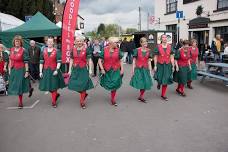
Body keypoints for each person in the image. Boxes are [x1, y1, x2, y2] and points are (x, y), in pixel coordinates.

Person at [68, 36, 94, 109]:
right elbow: (71, 60)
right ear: (75, 42)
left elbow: (89, 60)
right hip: (75, 69)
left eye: (80, 41)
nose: (79, 42)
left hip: (83, 69)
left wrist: (90, 69)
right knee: (73, 83)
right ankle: (84, 94)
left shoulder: (87, 49)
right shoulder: (73, 49)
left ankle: (82, 101)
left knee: (83, 85)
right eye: (78, 41)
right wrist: (69, 70)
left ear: (83, 42)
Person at [39, 37, 66, 108]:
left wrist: (57, 70)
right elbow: (41, 62)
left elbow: (59, 61)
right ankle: (56, 95)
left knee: (54, 86)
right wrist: (40, 71)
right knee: (48, 86)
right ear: (46, 43)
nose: (50, 43)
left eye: (51, 42)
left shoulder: (56, 51)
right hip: (46, 70)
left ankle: (54, 101)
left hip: (54, 70)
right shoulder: (43, 51)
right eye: (48, 42)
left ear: (53, 43)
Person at [98, 37, 124, 106]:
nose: (117, 44)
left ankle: (113, 99)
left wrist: (122, 69)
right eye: (116, 42)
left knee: (115, 84)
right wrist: (102, 69)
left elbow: (120, 60)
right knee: (108, 83)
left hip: (116, 70)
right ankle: (112, 93)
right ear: (111, 43)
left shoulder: (118, 50)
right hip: (107, 70)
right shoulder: (104, 50)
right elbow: (99, 60)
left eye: (117, 42)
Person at [8, 35, 30, 108]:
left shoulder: (24, 50)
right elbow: (10, 60)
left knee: (20, 85)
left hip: (21, 69)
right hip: (13, 69)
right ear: (14, 42)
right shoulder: (11, 49)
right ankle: (29, 87)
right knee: (15, 85)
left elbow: (26, 62)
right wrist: (9, 70)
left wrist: (27, 71)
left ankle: (20, 102)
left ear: (21, 42)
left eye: (18, 41)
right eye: (16, 41)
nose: (17, 43)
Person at [130, 37, 153, 103]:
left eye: (146, 41)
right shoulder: (136, 50)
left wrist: (150, 71)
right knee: (140, 82)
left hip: (145, 69)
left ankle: (141, 96)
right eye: (144, 42)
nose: (146, 43)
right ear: (141, 43)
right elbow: (134, 61)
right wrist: (133, 71)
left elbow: (149, 61)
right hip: (138, 69)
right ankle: (141, 96)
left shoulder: (149, 50)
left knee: (145, 82)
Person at [154, 34, 175, 101]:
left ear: (167, 39)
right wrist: (155, 65)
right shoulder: (158, 47)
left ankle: (163, 94)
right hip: (160, 65)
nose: (164, 38)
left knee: (165, 79)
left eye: (165, 37)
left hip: (167, 65)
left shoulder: (170, 47)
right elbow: (155, 57)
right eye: (163, 37)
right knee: (160, 78)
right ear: (161, 39)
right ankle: (159, 83)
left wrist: (173, 65)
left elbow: (172, 57)